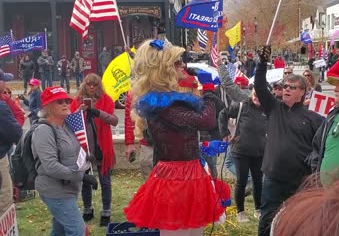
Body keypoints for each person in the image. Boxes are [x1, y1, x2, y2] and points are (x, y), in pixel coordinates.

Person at [124, 39, 226, 235]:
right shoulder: (161, 103)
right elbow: (206, 120)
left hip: (190, 173)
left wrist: (203, 146)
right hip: (175, 180)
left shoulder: (170, 101)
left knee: (194, 231)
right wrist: (209, 91)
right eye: (177, 62)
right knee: (177, 230)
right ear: (164, 69)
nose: (183, 65)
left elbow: (181, 134)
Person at [255, 46, 325, 236]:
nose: (286, 89)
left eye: (291, 87)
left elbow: (321, 146)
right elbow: (260, 87)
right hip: (274, 177)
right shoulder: (274, 108)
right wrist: (261, 63)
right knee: (268, 217)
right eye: (284, 86)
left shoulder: (314, 118)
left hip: (300, 179)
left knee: (299, 219)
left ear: (302, 91)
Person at [32, 86, 95, 235]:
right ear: (48, 107)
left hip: (69, 188)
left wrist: (86, 157)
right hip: (55, 190)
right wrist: (82, 177)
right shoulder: (43, 131)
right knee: (78, 231)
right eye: (59, 102)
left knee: (59, 231)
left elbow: (72, 152)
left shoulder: (67, 125)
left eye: (66, 100)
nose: (66, 104)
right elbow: (51, 166)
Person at [69, 73, 118, 226]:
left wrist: (96, 111)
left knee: (105, 180)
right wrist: (80, 111)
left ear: (99, 86)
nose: (91, 87)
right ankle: (87, 209)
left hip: (102, 146)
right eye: (89, 84)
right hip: (84, 147)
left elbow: (115, 121)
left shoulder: (106, 99)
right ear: (84, 84)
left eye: (95, 84)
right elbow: (69, 121)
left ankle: (106, 211)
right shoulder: (77, 100)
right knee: (85, 180)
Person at [218, 89, 267, 222]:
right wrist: (224, 132)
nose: (257, 97)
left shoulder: (267, 108)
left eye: (260, 94)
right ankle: (241, 211)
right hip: (241, 151)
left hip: (259, 152)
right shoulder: (242, 106)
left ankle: (258, 209)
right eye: (255, 94)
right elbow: (223, 114)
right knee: (242, 181)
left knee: (258, 182)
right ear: (252, 93)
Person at [0, 70, 23, 216]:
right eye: (3, 80)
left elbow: (19, 115)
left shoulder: (4, 100)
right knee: (4, 198)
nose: (5, 84)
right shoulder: (1, 106)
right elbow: (16, 134)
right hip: (1, 155)